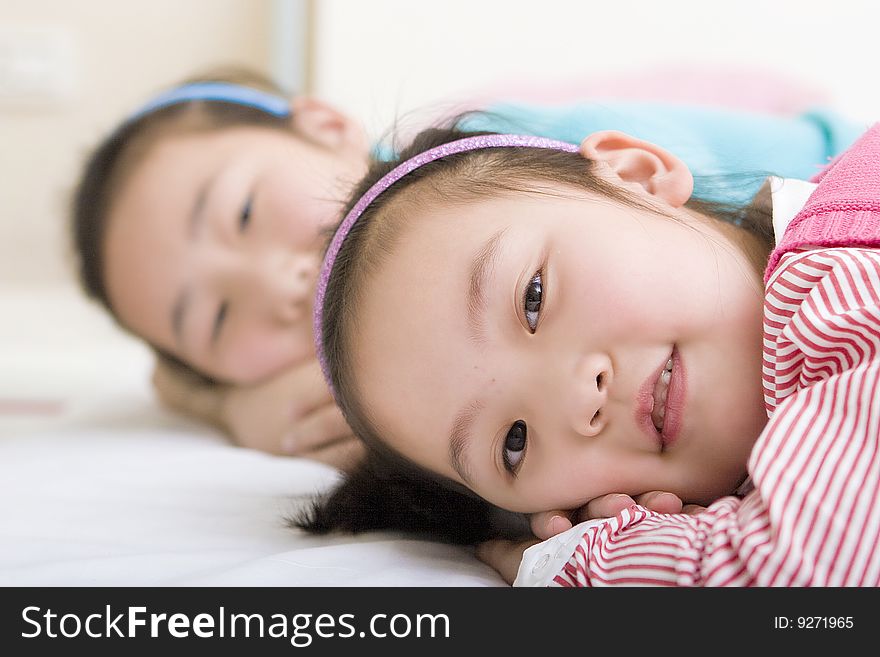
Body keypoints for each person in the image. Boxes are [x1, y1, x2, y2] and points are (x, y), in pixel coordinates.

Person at [70, 67, 862, 474]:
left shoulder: (517, 160)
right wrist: (228, 408)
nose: (279, 282)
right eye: (212, 319)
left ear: (322, 125)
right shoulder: (422, 394)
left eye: (242, 214)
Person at [300, 117, 880, 586]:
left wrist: (584, 563)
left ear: (635, 175)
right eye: (514, 442)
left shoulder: (836, 273)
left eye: (533, 299)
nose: (577, 399)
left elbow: (806, 580)